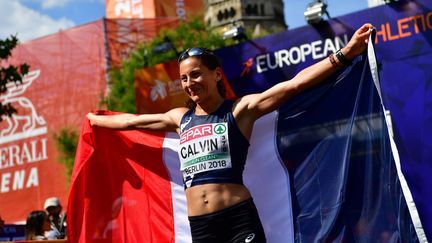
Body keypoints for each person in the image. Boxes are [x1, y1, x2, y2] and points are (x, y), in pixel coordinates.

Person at [87, 23, 374, 243]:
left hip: (238, 219)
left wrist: (346, 53)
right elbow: (130, 122)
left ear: (217, 75)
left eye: (197, 74)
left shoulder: (241, 110)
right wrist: (93, 121)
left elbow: (294, 86)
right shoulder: (180, 118)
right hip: (201, 227)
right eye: (184, 78)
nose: (190, 83)